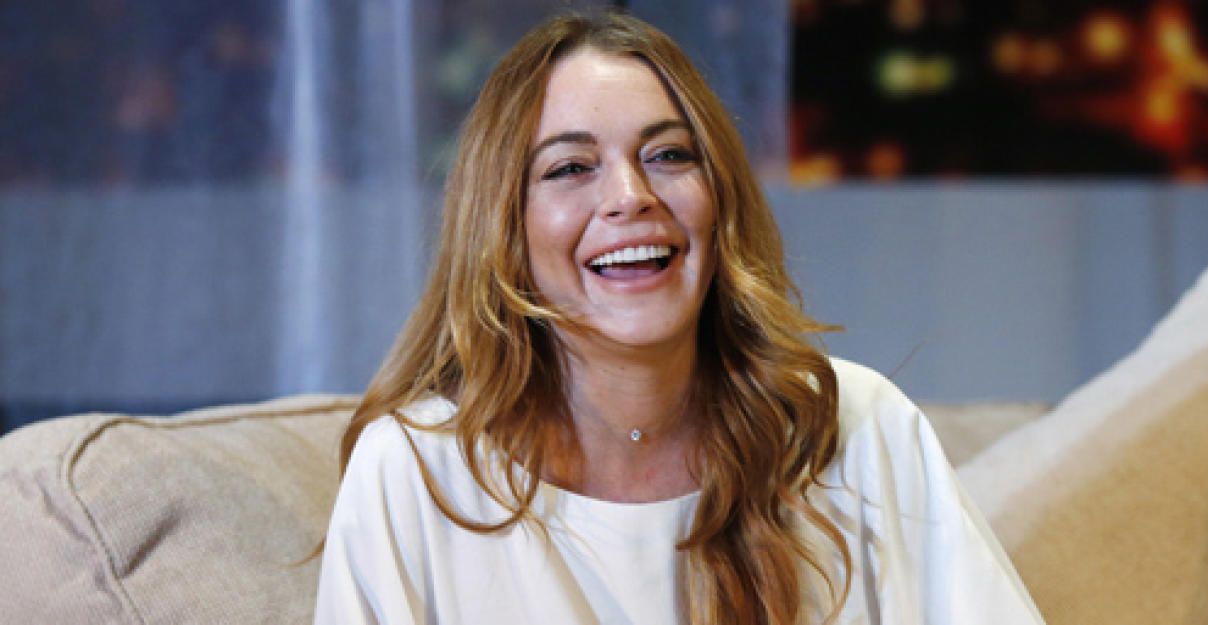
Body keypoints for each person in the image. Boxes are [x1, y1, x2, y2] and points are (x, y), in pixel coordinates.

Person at [314, 12, 1043, 625]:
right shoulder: (414, 472)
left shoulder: (857, 427)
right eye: (571, 168)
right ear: (502, 226)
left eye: (667, 155)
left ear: (719, 198)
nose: (631, 195)